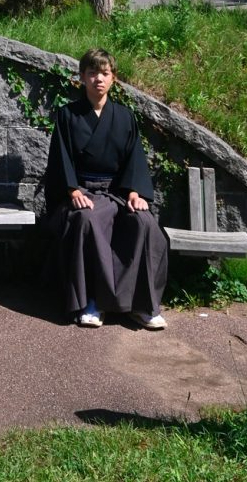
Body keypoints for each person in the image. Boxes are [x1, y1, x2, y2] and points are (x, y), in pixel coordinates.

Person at [45, 48, 169, 330]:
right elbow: (60, 159)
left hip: (117, 192)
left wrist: (135, 192)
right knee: (87, 220)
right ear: (82, 77)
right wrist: (73, 191)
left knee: (144, 223)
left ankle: (142, 305)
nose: (98, 79)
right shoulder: (67, 115)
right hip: (82, 191)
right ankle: (92, 301)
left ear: (113, 78)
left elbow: (134, 159)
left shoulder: (125, 117)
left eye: (104, 73)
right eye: (92, 73)